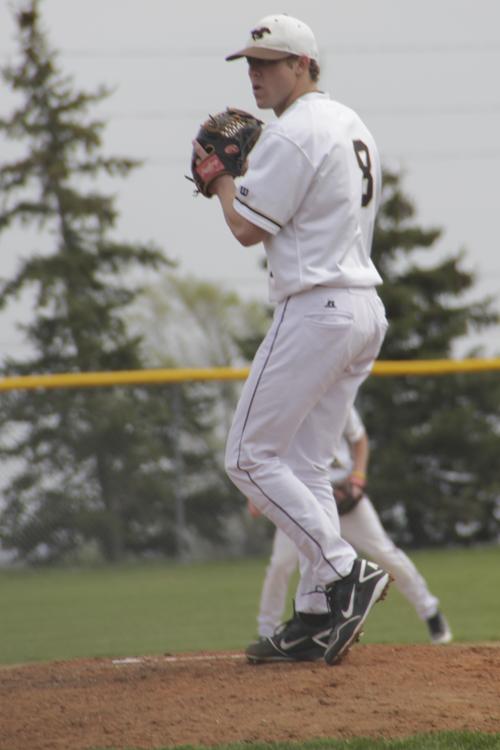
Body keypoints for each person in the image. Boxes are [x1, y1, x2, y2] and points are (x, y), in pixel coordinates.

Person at [193, 13, 391, 666]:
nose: (256, 73)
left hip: (316, 308)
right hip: (362, 308)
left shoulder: (296, 130)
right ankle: (313, 615)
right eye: (249, 63)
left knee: (248, 458)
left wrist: (224, 178)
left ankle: (342, 568)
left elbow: (247, 229)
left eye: (269, 62)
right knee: (305, 466)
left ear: (303, 64)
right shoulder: (349, 122)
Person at [246, 406, 453, 662]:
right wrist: (256, 492)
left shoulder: (330, 396)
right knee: (280, 565)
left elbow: (359, 439)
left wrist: (357, 478)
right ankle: (266, 632)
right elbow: (264, 451)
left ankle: (430, 613)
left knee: (385, 553)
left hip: (346, 498)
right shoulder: (287, 402)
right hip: (302, 503)